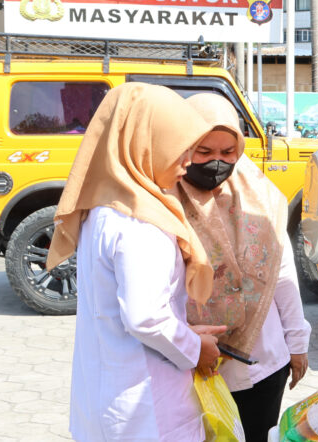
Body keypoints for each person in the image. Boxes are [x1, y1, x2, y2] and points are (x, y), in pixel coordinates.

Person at [46, 83, 225, 441]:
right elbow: (146, 318)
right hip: (146, 413)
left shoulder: (102, 210)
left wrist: (184, 331)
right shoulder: (141, 226)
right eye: (179, 149)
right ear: (144, 143)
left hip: (106, 399)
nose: (188, 162)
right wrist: (196, 348)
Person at [176, 93, 311, 439]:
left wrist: (297, 342)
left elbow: (281, 273)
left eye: (228, 152)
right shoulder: (165, 201)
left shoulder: (259, 196)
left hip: (264, 362)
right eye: (204, 152)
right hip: (192, 366)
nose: (217, 163)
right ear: (182, 145)